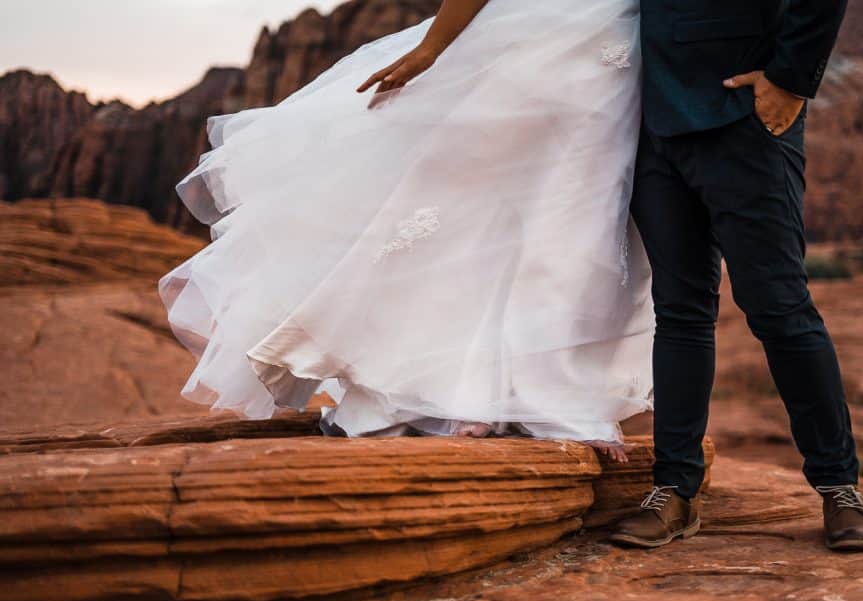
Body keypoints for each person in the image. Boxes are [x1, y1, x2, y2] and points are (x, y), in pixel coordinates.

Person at [161, 0, 652, 462]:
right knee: (462, 214)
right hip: (529, 41)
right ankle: (448, 393)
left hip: (612, 59)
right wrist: (434, 47)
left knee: (573, 227)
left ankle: (544, 396)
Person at [610, 0, 863, 551]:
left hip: (742, 111)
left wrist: (790, 76)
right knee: (680, 310)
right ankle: (674, 490)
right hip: (649, 120)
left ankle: (839, 486)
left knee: (778, 307)